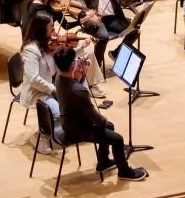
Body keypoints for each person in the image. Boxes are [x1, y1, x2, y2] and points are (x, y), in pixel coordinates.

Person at [53, 47, 148, 181]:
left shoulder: (59, 77)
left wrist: (80, 75)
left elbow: (74, 95)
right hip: (77, 129)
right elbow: (93, 117)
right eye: (75, 60)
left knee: (110, 127)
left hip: (68, 122)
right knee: (117, 139)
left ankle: (103, 162)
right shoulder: (79, 91)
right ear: (71, 65)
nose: (77, 61)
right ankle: (124, 171)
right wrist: (104, 120)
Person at [20, 11, 96, 154]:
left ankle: (78, 129)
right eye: (51, 28)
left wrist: (81, 48)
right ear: (41, 29)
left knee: (75, 102)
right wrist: (54, 89)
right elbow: (34, 79)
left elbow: (63, 60)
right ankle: (40, 136)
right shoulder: (31, 50)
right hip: (37, 92)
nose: (55, 32)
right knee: (59, 114)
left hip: (51, 86)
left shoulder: (48, 45)